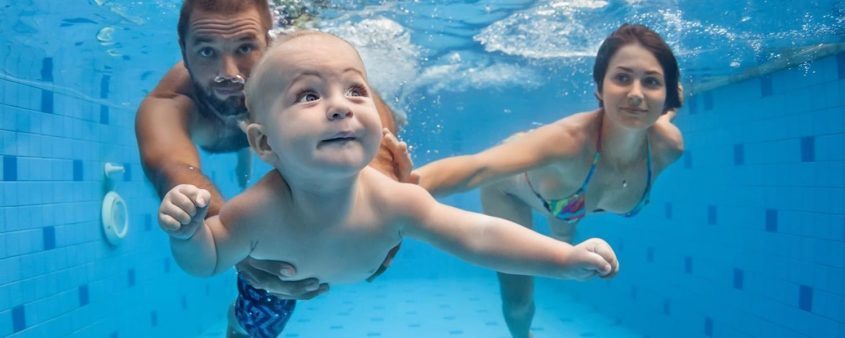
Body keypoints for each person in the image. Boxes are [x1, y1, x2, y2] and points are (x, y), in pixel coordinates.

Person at [158, 31, 620, 338]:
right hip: (278, 285)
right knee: (251, 329)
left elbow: (478, 235)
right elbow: (210, 259)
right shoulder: (255, 212)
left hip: (347, 261)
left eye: (355, 90)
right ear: (263, 143)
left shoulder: (395, 201)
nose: (341, 107)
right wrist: (188, 234)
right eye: (309, 95)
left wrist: (562, 258)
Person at [414, 23, 685, 338]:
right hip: (513, 189)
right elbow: (477, 168)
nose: (636, 94)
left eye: (651, 82)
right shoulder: (567, 142)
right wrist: (392, 186)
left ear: (666, 94)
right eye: (622, 78)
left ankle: (563, 230)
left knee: (566, 218)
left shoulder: (668, 148)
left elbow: (660, 115)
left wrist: (669, 107)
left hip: (568, 197)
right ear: (600, 88)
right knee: (518, 304)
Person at [135, 0, 414, 305]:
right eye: (206, 51)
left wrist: (381, 206)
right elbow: (173, 167)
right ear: (183, 50)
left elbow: (370, 116)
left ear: (269, 42)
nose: (228, 74)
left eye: (245, 48)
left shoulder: (301, 73)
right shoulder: (170, 103)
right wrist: (236, 241)